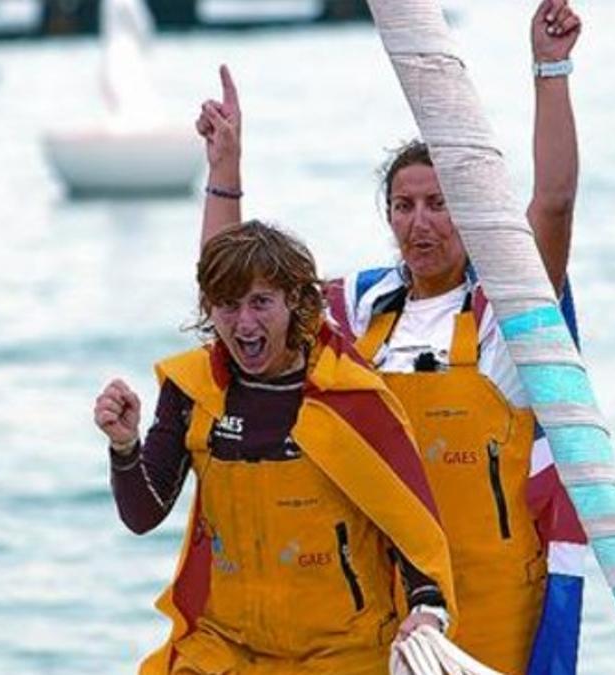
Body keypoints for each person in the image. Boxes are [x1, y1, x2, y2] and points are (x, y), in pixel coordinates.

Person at [193, 1, 589, 672]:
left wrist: (551, 69)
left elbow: (552, 201)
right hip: (390, 620)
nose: (421, 221)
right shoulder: (356, 319)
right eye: (405, 205)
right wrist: (225, 172)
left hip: (492, 616)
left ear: (471, 215)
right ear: (389, 216)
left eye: (441, 203)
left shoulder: (507, 318)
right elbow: (237, 306)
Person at [94, 221, 457, 674]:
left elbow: (414, 532)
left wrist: (428, 611)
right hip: (226, 649)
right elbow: (143, 515)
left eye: (261, 302)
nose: (244, 323)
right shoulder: (193, 390)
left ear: (296, 303)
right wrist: (125, 447)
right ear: (209, 308)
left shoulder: (351, 398)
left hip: (342, 655)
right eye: (228, 305)